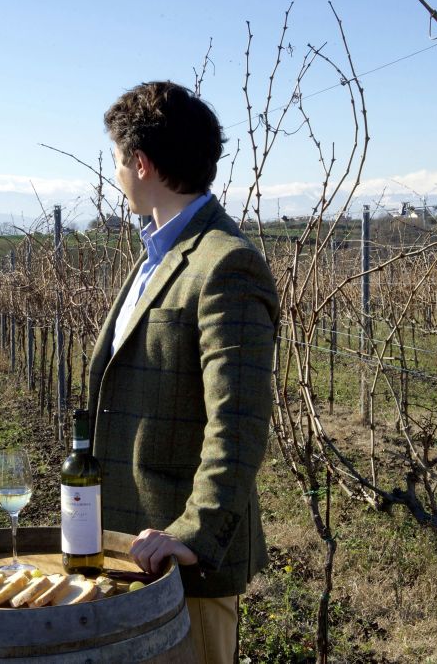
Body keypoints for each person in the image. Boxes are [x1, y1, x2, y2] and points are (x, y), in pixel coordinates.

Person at [86, 81, 279, 664]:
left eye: (118, 161)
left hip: (182, 570)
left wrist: (192, 534)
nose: (116, 175)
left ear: (142, 164)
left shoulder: (226, 264)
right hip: (130, 553)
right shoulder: (159, 256)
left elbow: (238, 422)